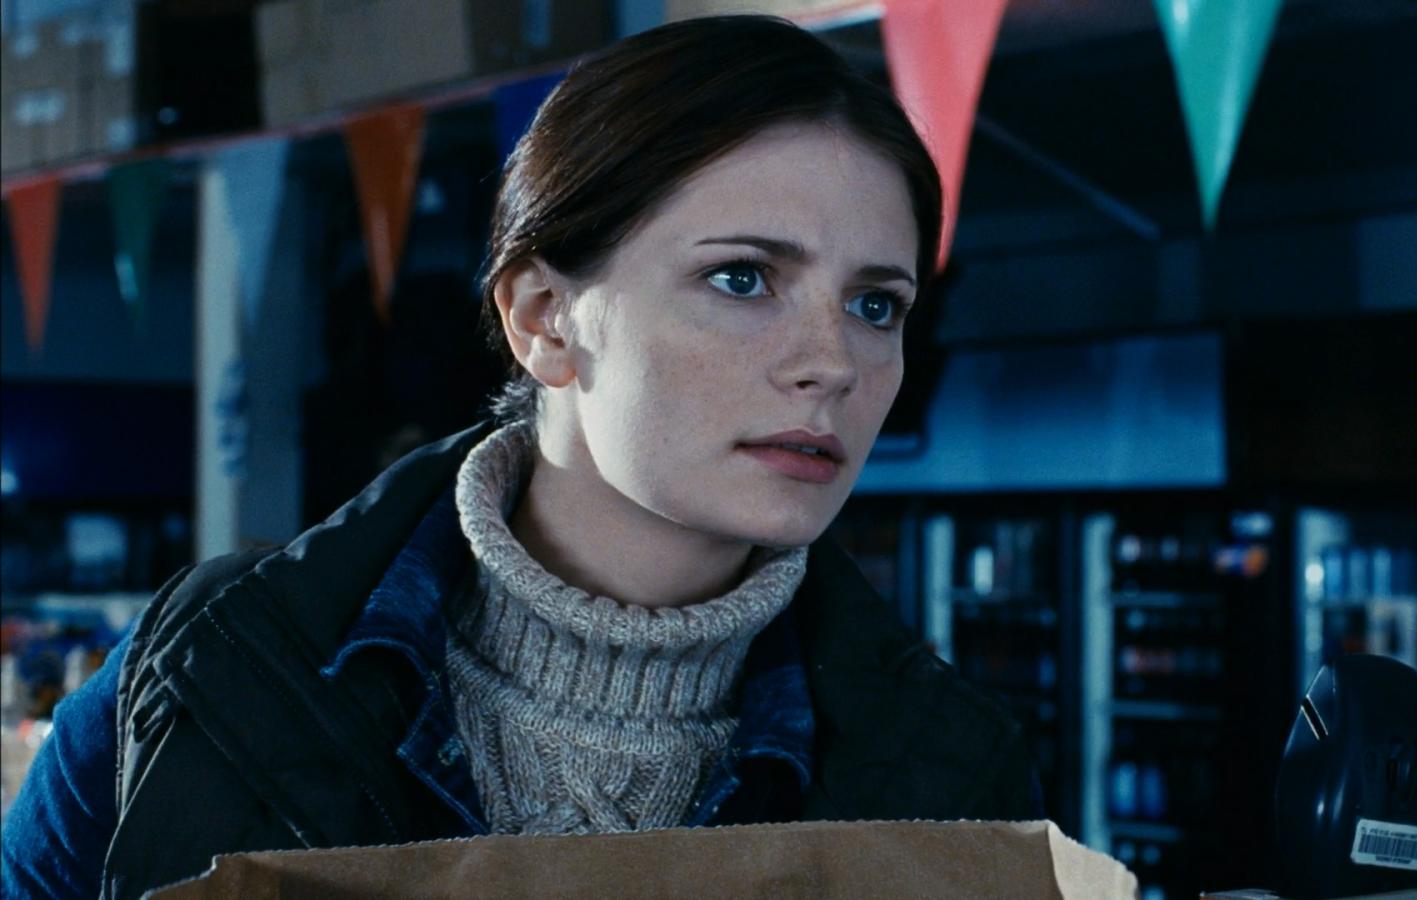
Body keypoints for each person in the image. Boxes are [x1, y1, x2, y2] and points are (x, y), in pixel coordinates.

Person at [1, 15, 1039, 899]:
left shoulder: (953, 772)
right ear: (544, 318)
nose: (833, 363)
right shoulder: (209, 663)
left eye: (876, 305)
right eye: (741, 278)